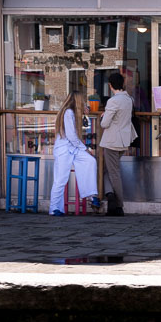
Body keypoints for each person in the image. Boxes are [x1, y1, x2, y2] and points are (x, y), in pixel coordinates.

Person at [48, 92, 100, 216]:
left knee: (90, 161)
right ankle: (54, 208)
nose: (83, 104)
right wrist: (85, 148)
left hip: (73, 148)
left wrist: (83, 113)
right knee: (61, 179)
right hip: (64, 149)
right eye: (82, 102)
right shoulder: (68, 113)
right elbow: (72, 136)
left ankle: (90, 195)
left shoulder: (72, 113)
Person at [100, 72, 136, 216]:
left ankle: (118, 206)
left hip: (112, 141)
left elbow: (104, 124)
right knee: (108, 171)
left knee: (112, 173)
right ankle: (110, 197)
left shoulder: (113, 101)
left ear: (110, 85)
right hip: (123, 140)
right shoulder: (129, 99)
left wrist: (105, 114)